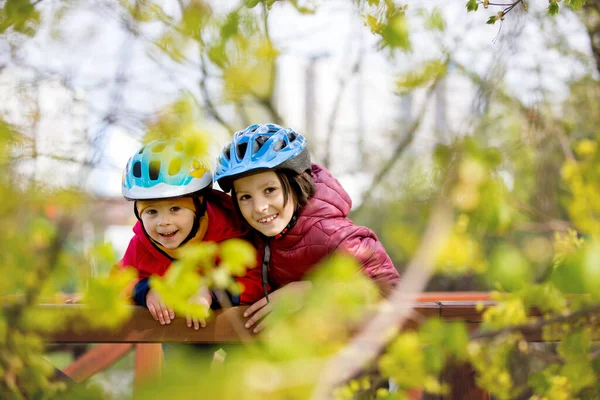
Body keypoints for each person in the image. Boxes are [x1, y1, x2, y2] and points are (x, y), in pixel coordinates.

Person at [214, 123, 401, 332]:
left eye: (270, 190)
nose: (259, 208)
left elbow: (388, 291)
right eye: (245, 197)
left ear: (297, 184)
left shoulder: (332, 235)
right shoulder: (250, 235)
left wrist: (308, 292)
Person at [114, 138, 264, 329]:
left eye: (175, 209)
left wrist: (211, 293)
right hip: (183, 334)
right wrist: (146, 290)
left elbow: (260, 280)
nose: (163, 222)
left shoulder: (232, 231)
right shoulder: (141, 245)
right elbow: (121, 278)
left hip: (235, 326)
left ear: (200, 205)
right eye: (151, 212)